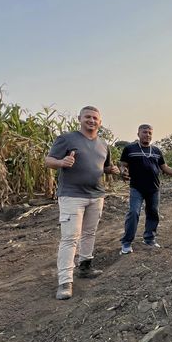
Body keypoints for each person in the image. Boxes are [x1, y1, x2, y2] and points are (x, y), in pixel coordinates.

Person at [45, 106, 120, 300]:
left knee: (89, 233)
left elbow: (104, 167)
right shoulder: (67, 139)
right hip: (72, 196)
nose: (92, 121)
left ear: (100, 122)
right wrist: (61, 163)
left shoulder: (103, 144)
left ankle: (85, 267)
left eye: (95, 118)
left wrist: (111, 170)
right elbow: (48, 160)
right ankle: (65, 281)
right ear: (79, 118)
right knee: (70, 238)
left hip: (96, 195)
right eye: (88, 117)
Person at [119, 124, 172, 254]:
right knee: (133, 213)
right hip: (136, 188)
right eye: (144, 132)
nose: (147, 135)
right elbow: (123, 164)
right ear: (138, 134)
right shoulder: (129, 149)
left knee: (153, 213)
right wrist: (123, 171)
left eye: (150, 133)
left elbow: (164, 168)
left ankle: (149, 239)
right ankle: (126, 242)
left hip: (154, 188)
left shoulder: (156, 151)